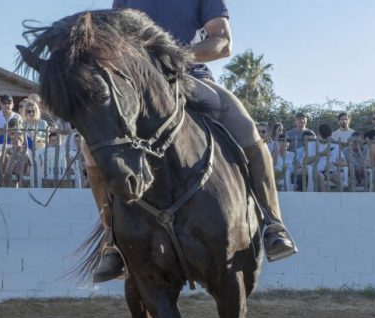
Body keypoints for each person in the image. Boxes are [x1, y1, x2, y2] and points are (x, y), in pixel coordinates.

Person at [87, 0, 298, 282]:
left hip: (189, 78)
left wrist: (172, 56)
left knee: (248, 132)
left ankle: (273, 224)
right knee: (89, 148)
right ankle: (112, 242)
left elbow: (222, 42)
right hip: (136, 89)